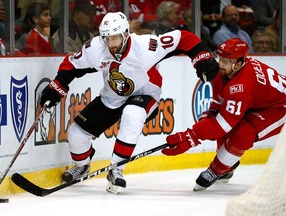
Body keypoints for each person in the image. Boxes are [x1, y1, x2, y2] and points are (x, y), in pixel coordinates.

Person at [39, 11, 219, 194]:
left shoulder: (147, 47)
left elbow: (184, 38)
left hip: (146, 94)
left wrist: (201, 58)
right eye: (107, 39)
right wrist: (58, 85)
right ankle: (82, 166)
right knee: (76, 134)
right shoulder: (95, 48)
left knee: (132, 114)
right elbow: (72, 64)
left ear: (126, 34)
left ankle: (116, 170)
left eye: (115, 39)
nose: (111, 44)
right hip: (113, 97)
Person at [162, 38, 286, 191]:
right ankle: (228, 166)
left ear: (239, 64)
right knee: (213, 118)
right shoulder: (226, 73)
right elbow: (218, 108)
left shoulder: (241, 86)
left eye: (226, 61)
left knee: (243, 134)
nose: (220, 64)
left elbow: (222, 126)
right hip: (257, 102)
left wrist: (191, 136)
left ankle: (217, 170)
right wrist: (200, 128)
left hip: (279, 108)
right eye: (220, 58)